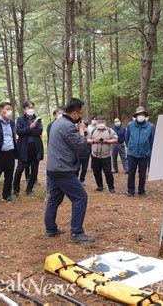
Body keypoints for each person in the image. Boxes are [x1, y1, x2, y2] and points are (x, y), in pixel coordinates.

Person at [44, 98, 95, 244]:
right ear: (74, 113)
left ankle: (50, 228)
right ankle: (76, 233)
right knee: (80, 197)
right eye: (79, 113)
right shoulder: (68, 126)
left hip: (53, 168)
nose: (80, 117)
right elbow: (80, 146)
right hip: (63, 169)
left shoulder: (56, 123)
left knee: (54, 198)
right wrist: (81, 131)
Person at [13, 100, 44, 196]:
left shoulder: (38, 119)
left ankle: (29, 189)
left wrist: (28, 131)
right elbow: (19, 132)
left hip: (36, 148)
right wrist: (30, 127)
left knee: (34, 170)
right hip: (24, 148)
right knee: (19, 169)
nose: (30, 109)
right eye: (28, 107)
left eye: (32, 107)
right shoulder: (20, 119)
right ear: (24, 109)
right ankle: (16, 189)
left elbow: (39, 131)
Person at [125, 107, 155, 197]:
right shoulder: (130, 125)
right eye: (139, 114)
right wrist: (131, 147)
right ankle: (130, 190)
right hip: (132, 154)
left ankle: (141, 190)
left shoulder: (151, 126)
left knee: (142, 174)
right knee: (131, 173)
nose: (140, 116)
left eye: (142, 114)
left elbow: (152, 140)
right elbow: (127, 139)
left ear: (145, 116)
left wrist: (147, 150)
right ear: (136, 116)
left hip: (144, 154)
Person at [87, 116, 118, 193]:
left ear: (105, 122)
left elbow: (116, 139)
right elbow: (87, 139)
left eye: (102, 121)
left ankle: (111, 187)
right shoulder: (93, 130)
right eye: (99, 121)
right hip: (95, 156)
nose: (101, 123)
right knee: (96, 172)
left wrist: (107, 141)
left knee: (108, 172)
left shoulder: (109, 130)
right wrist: (94, 141)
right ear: (96, 122)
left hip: (106, 156)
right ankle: (99, 186)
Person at [76, 120, 91, 185]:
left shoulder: (88, 132)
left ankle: (81, 180)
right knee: (77, 168)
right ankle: (75, 180)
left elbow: (90, 140)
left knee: (84, 169)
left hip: (86, 153)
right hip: (78, 154)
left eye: (84, 125)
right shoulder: (76, 132)